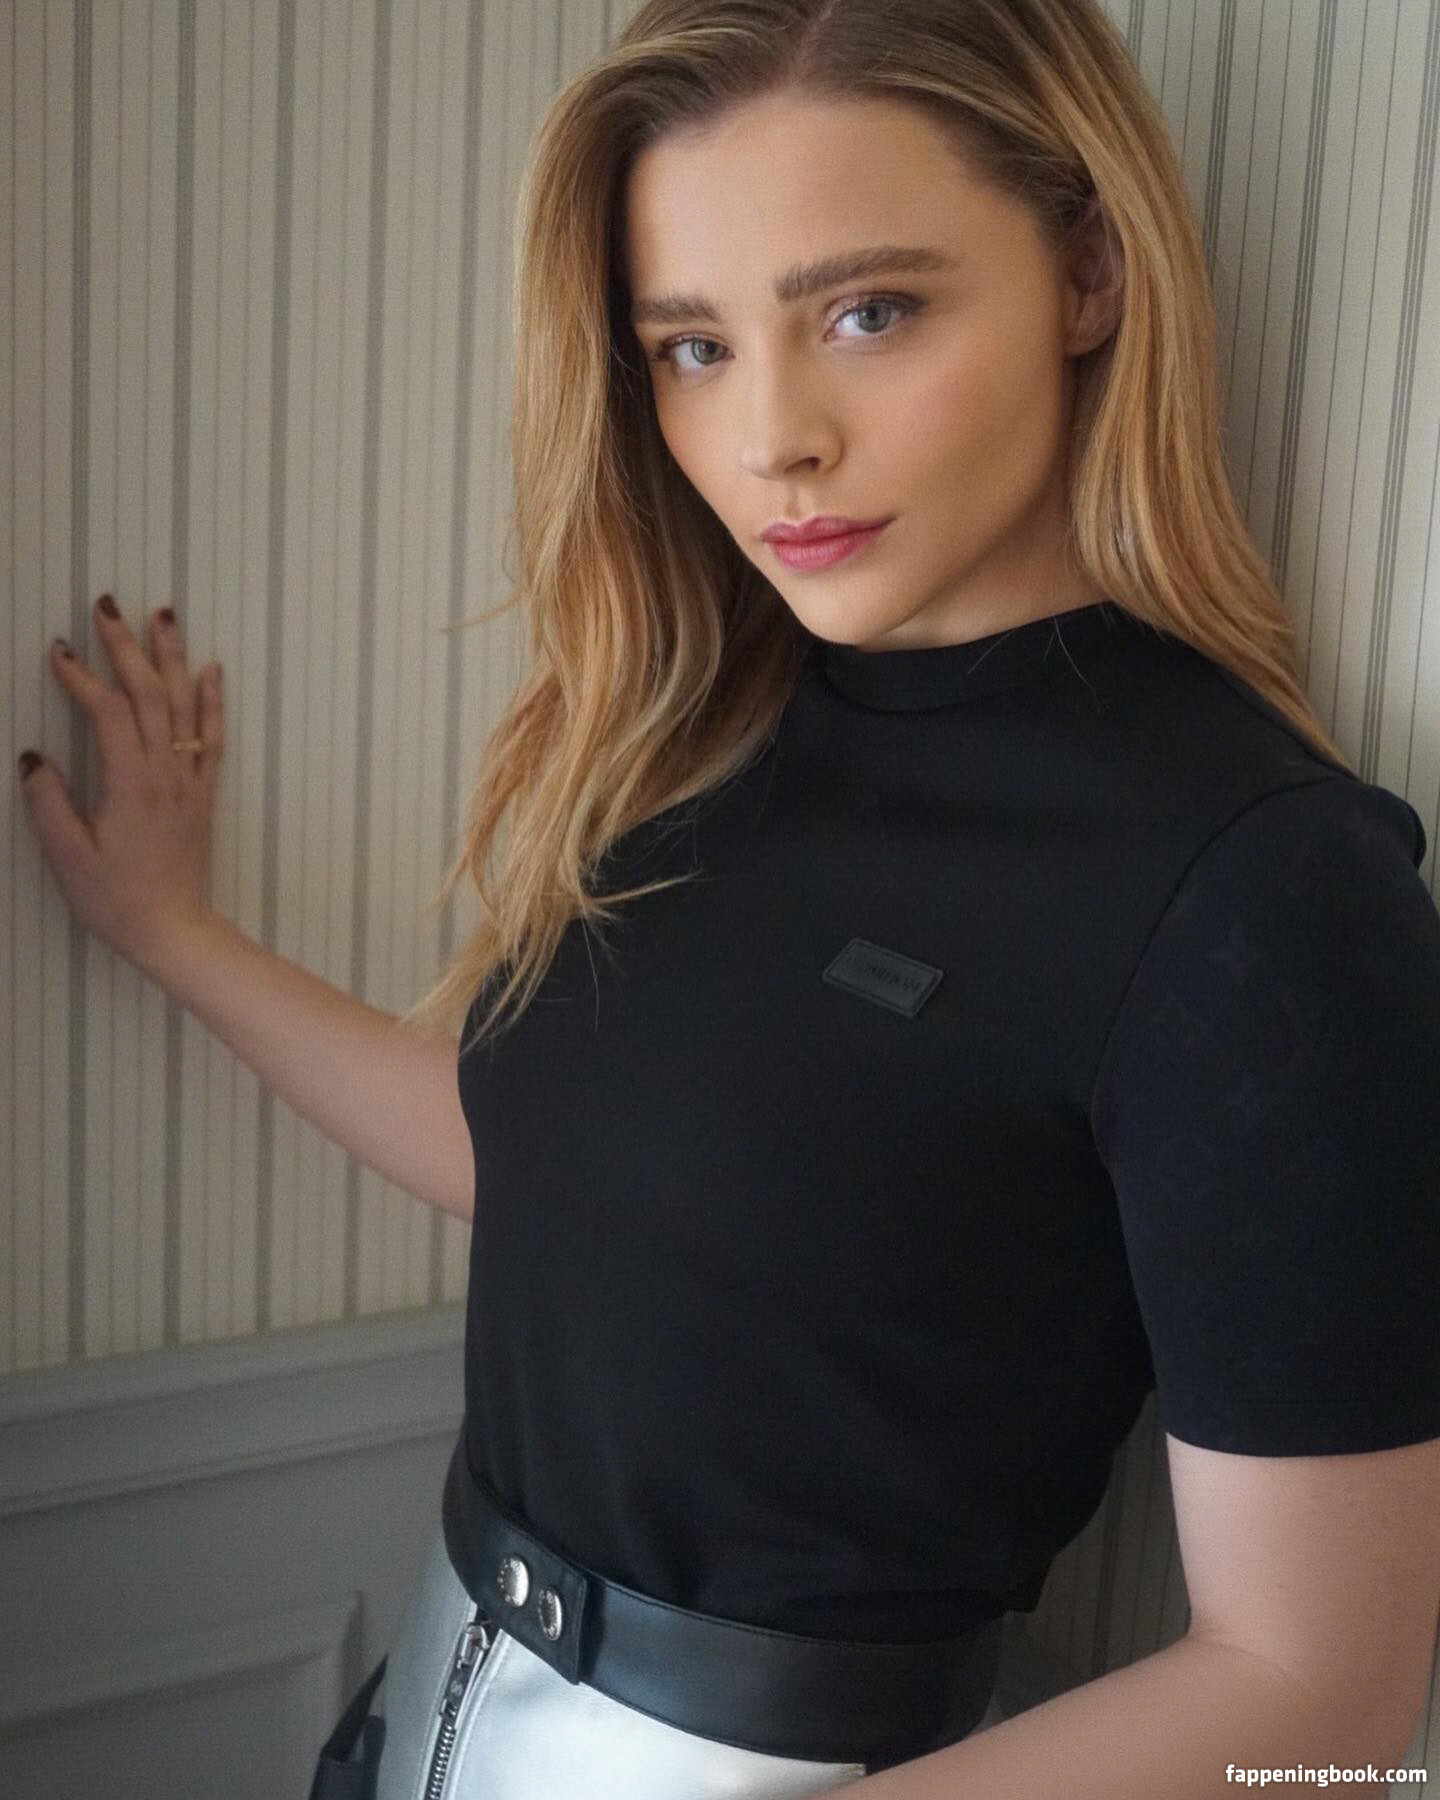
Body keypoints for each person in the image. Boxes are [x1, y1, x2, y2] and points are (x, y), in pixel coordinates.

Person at [17, 1, 1440, 1797]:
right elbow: (581, 1173)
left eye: (869, 312)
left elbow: (1318, 1692)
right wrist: (176, 935)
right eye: (691, 346)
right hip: (414, 1717)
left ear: (1089, 273)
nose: (773, 439)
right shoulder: (706, 729)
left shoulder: (1266, 888)